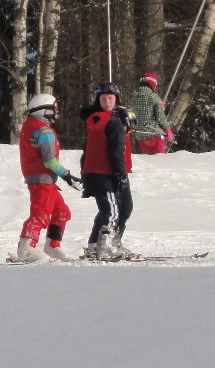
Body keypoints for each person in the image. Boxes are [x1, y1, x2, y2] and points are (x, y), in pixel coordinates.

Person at [15, 93, 80, 262]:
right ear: (45, 111)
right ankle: (26, 247)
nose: (56, 114)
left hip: (42, 179)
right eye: (54, 110)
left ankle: (52, 245)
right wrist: (67, 175)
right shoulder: (44, 130)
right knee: (41, 213)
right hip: (42, 180)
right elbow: (49, 160)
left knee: (62, 212)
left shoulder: (29, 125)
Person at [80, 81, 136, 260]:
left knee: (125, 208)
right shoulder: (106, 121)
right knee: (111, 211)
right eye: (103, 98)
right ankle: (103, 246)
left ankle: (108, 242)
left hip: (113, 171)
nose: (107, 101)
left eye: (110, 98)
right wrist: (119, 173)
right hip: (105, 172)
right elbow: (114, 151)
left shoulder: (115, 122)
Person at [129, 71, 173, 155]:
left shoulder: (134, 97)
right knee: (159, 159)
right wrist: (167, 129)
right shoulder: (153, 96)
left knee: (148, 159)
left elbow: (134, 114)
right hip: (154, 133)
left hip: (141, 135)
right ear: (153, 84)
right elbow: (160, 116)